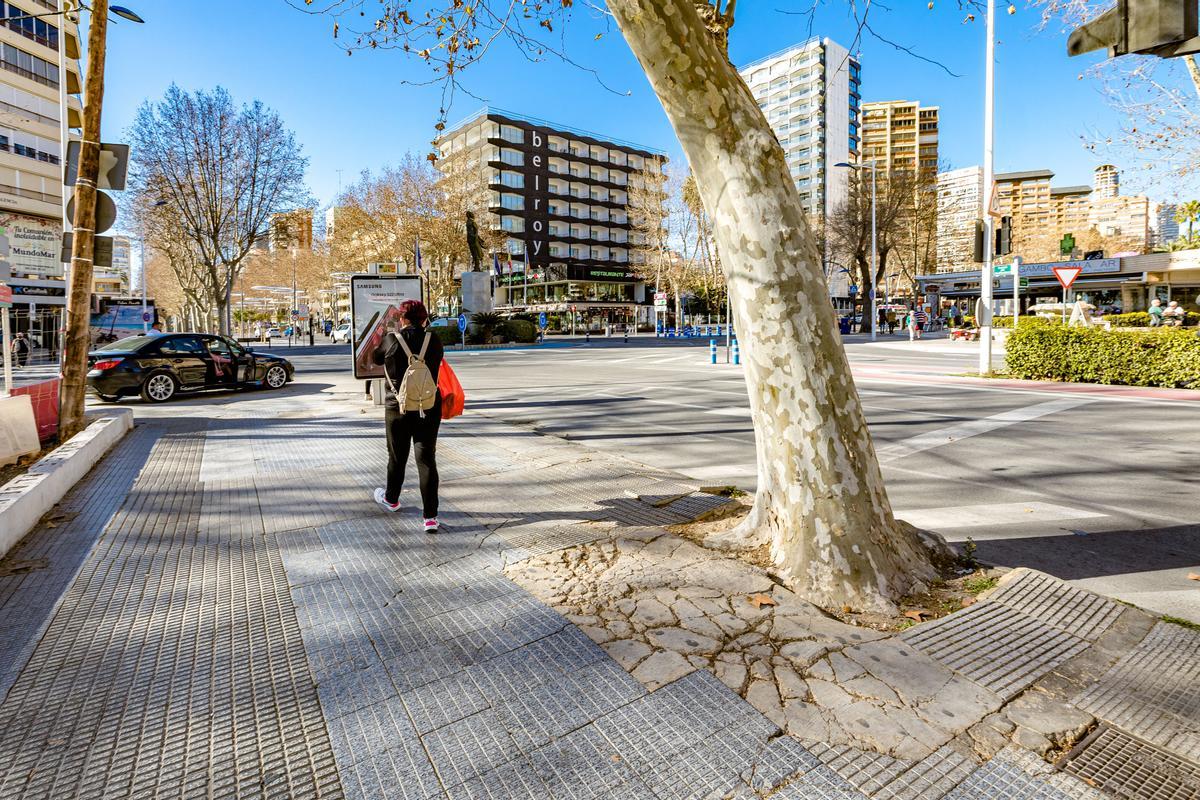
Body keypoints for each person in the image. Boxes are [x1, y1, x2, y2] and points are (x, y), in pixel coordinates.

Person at [372, 299, 444, 532]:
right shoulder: (434, 340)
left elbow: (375, 358)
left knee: (396, 456)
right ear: (425, 319)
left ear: (402, 319)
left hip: (397, 409)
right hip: (428, 407)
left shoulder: (391, 340)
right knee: (426, 460)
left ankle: (392, 499)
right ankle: (430, 517)